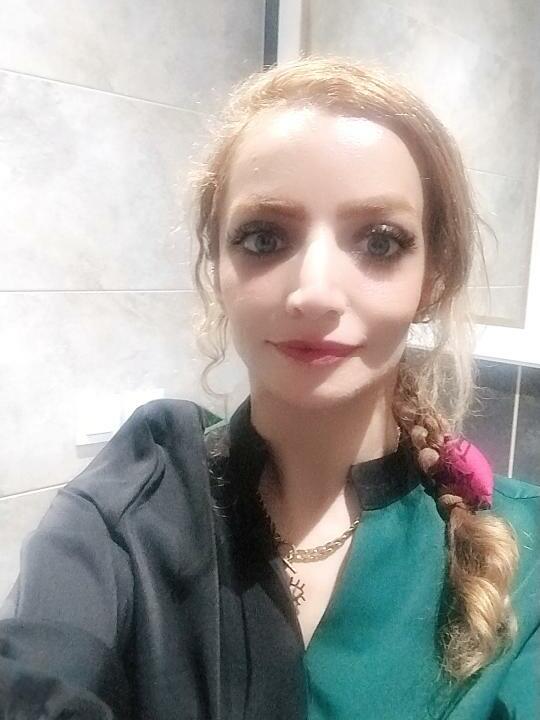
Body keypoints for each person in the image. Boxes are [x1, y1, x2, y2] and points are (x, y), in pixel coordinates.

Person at [0, 55, 538, 720]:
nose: (314, 292)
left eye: (379, 242)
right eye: (263, 238)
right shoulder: (127, 517)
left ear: (432, 278)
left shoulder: (525, 550)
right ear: (218, 266)